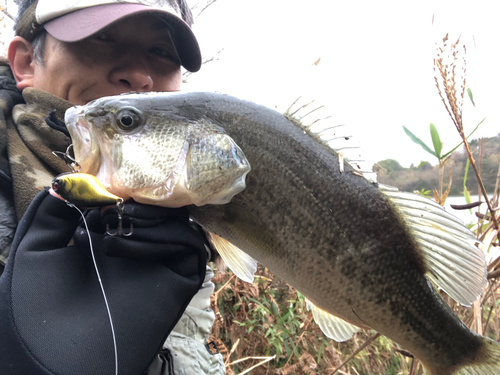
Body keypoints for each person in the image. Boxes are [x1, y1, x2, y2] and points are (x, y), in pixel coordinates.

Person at [0, 1, 225, 374]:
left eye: (160, 51)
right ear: (25, 62)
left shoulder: (188, 221)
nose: (138, 75)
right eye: (101, 37)